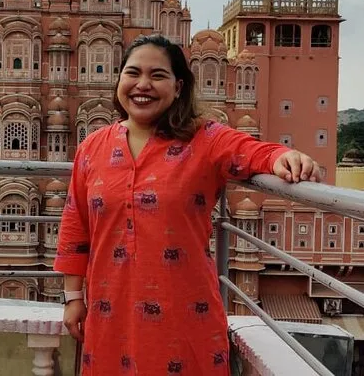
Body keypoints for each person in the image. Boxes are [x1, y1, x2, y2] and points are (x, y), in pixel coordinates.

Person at [53, 35, 322, 375]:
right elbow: (76, 224)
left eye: (158, 75)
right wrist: (73, 298)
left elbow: (251, 151)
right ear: (119, 80)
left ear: (178, 87)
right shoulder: (93, 147)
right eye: (133, 73)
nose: (143, 85)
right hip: (110, 311)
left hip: (183, 310)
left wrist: (284, 156)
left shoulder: (204, 138)